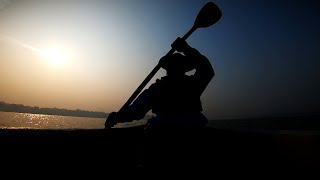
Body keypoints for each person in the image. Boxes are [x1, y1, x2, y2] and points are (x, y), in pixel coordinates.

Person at [105, 37, 214, 129]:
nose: (175, 68)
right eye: (173, 66)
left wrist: (186, 49)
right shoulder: (159, 87)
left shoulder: (192, 84)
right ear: (168, 68)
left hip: (182, 128)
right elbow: (137, 110)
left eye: (178, 66)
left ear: (183, 69)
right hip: (168, 128)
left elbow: (207, 70)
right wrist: (118, 117)